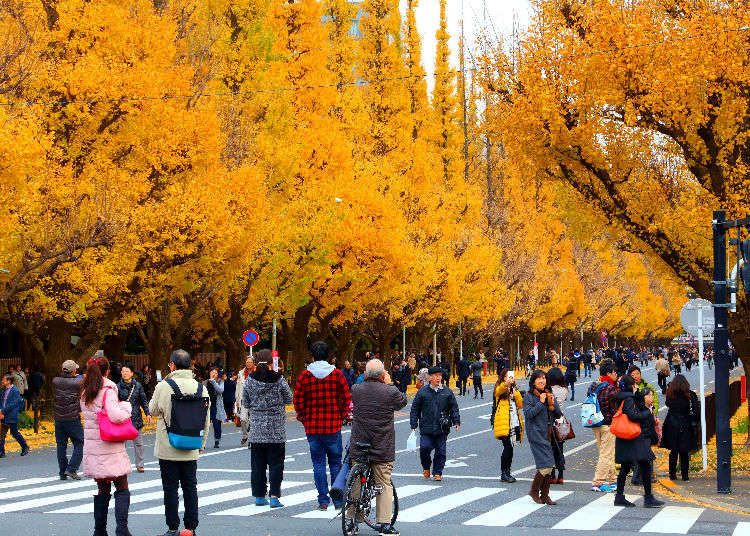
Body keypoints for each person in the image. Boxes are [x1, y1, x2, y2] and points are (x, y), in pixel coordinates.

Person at [150, 349, 210, 536]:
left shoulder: (164, 386)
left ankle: (172, 527)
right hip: (192, 443)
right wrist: (201, 444)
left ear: (172, 366)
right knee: (190, 487)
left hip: (168, 446)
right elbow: (205, 420)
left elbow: (152, 410)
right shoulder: (201, 387)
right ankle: (191, 527)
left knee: (170, 489)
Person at [347, 359, 407, 536]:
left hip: (359, 442)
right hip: (382, 444)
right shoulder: (390, 391)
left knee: (355, 483)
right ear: (382, 374)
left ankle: (351, 520)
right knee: (384, 483)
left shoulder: (356, 390)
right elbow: (402, 402)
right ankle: (384, 524)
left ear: (365, 374)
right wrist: (389, 383)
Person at [293, 341, 351, 510]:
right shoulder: (337, 374)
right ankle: (338, 500)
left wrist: (304, 418)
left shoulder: (305, 376)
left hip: (313, 427)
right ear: (329, 356)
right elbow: (346, 398)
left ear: (312, 355)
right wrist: (340, 416)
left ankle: (323, 500)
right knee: (335, 463)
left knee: (318, 464)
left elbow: (297, 400)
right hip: (333, 426)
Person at [79, 356, 133, 536]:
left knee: (102, 488)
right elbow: (116, 416)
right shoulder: (108, 389)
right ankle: (122, 529)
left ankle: (99, 530)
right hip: (110, 446)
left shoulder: (85, 391)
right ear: (107, 371)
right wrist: (126, 406)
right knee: (122, 486)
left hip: (94, 447)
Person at [243, 350, 293, 508]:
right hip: (276, 429)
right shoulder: (279, 379)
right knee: (276, 465)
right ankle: (274, 496)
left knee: (257, 465)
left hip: (257, 429)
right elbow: (289, 398)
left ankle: (259, 496)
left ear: (256, 361)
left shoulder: (250, 380)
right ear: (271, 362)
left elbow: (245, 402)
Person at [613, 375, 664, 508]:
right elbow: (633, 416)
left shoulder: (621, 397)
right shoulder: (629, 399)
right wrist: (647, 413)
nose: (636, 386)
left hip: (625, 436)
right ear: (630, 386)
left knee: (626, 466)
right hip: (632, 437)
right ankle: (647, 497)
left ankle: (620, 496)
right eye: (634, 384)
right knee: (645, 464)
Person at [409, 366, 460, 482]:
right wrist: (413, 424)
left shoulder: (447, 391)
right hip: (426, 427)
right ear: (430, 377)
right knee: (425, 448)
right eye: (436, 376)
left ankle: (437, 472)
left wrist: (456, 421)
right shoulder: (423, 391)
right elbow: (415, 408)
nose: (438, 378)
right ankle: (426, 467)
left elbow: (454, 408)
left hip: (442, 427)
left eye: (440, 376)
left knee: (441, 451)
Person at [523, 370, 562, 505]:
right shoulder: (529, 397)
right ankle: (535, 491)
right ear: (533, 381)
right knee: (546, 464)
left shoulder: (548, 393)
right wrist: (540, 402)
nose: (542, 381)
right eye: (539, 378)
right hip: (535, 433)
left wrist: (552, 403)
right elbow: (528, 414)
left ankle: (545, 495)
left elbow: (558, 414)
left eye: (544, 378)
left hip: (548, 433)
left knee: (549, 465)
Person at [587, 361, 620, 492]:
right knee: (606, 454)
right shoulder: (610, 388)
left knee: (605, 453)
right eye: (614, 372)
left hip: (595, 423)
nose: (616, 374)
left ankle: (613, 481)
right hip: (608, 424)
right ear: (608, 373)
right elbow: (615, 405)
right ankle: (598, 482)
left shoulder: (593, 386)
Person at [660, 374, 699, 482]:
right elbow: (695, 411)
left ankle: (672, 474)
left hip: (672, 423)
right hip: (685, 423)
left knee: (673, 450)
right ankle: (685, 475)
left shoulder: (670, 394)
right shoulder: (690, 395)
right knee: (684, 451)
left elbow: (668, 404)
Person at [52, 360, 84, 479]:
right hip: (72, 417)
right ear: (74, 371)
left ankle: (62, 472)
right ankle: (71, 469)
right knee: (80, 442)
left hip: (59, 418)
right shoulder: (78, 382)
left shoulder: (55, 381)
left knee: (61, 445)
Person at [491, 369, 524, 483]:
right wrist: (506, 384)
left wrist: (516, 393)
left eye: (512, 377)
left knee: (510, 448)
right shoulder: (500, 387)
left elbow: (520, 405)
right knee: (507, 447)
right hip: (504, 422)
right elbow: (499, 391)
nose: (511, 379)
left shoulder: (514, 389)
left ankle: (507, 472)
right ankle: (504, 473)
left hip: (514, 422)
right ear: (504, 378)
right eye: (509, 376)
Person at [117, 363, 150, 472]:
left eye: (127, 371)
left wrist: (147, 413)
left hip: (136, 418)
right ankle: (122, 465)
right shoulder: (117, 387)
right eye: (123, 371)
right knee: (122, 445)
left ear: (132, 373)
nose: (124, 373)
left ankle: (140, 464)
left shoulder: (138, 386)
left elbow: (143, 400)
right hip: (123, 419)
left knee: (139, 443)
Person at [546, 368, 567, 484]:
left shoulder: (549, 391)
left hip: (551, 421)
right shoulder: (564, 390)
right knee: (560, 449)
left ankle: (552, 475)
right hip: (561, 421)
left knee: (551, 449)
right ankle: (561, 475)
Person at [0, 373, 29, 457]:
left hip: (11, 415)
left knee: (14, 432)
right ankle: (1, 452)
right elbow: (2, 402)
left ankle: (25, 446)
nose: (2, 381)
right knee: (1, 433)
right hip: (3, 415)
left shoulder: (15, 390)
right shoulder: (3, 390)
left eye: (4, 380)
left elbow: (13, 404)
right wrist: (1, 411)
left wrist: (3, 411)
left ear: (9, 381)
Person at [235, 356, 255, 446]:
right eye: (247, 362)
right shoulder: (241, 373)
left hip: (254, 400)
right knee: (243, 419)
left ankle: (251, 439)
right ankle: (245, 435)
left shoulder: (257, 372)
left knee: (253, 420)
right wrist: (237, 399)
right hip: (243, 399)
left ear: (253, 363)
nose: (249, 363)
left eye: (250, 362)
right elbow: (238, 387)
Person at [205, 367, 226, 448]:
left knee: (216, 424)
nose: (214, 374)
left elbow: (220, 390)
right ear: (209, 373)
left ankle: (217, 440)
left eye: (216, 373)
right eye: (212, 372)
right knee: (204, 425)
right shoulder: (205, 382)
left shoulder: (220, 381)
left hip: (216, 406)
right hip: (206, 406)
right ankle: (201, 442)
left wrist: (213, 382)